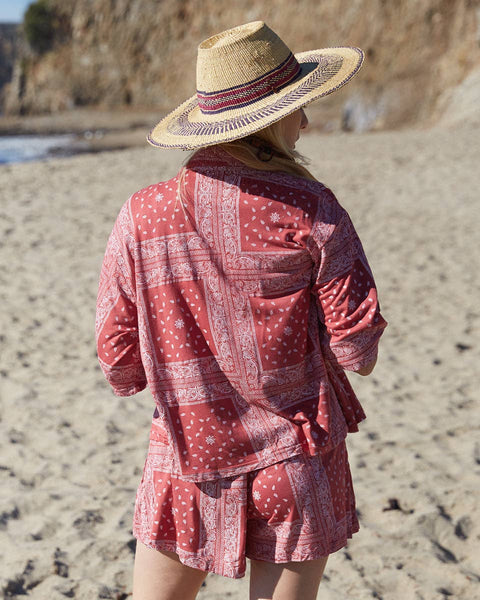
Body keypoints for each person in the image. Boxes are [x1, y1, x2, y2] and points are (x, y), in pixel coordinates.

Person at [95, 21, 387, 600]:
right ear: (272, 116)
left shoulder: (140, 215)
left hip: (188, 458)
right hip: (295, 455)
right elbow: (358, 348)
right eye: (298, 106)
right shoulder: (312, 207)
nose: (305, 121)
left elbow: (119, 361)